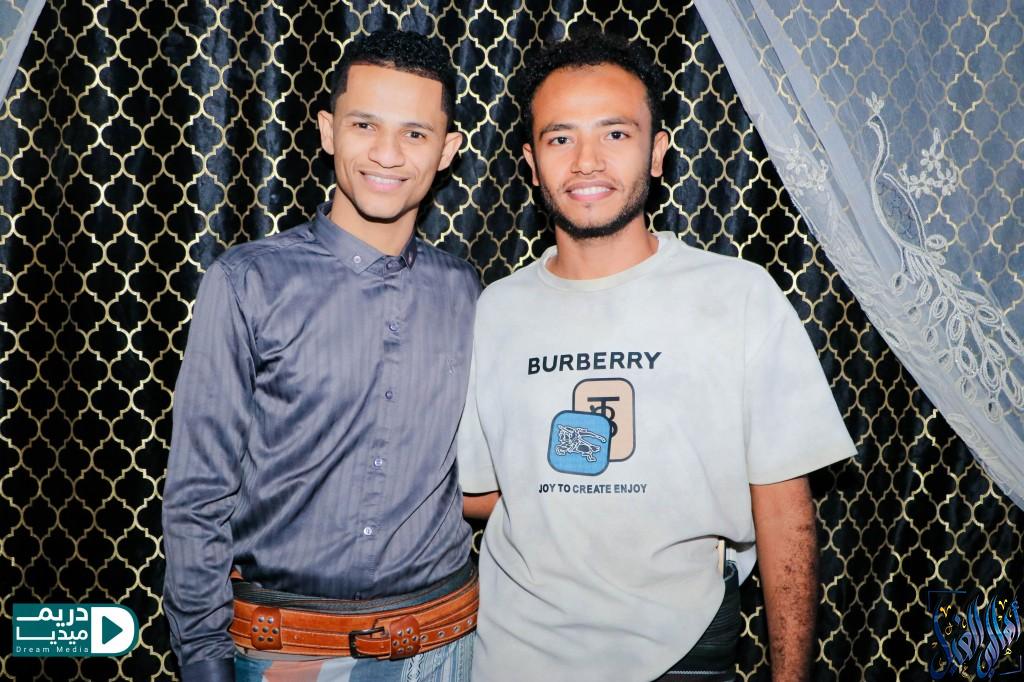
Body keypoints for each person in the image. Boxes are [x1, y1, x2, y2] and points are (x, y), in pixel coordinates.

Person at [457, 33, 857, 682]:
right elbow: (480, 492)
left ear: (658, 152)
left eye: (615, 133)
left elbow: (784, 506)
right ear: (531, 162)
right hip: (513, 655)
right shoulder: (494, 310)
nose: (587, 161)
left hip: (682, 648)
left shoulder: (738, 295)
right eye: (560, 138)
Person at [163, 30, 480, 682]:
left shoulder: (468, 291)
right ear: (329, 130)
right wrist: (203, 659)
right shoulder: (247, 282)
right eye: (365, 125)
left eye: (415, 133)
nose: (387, 153)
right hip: (285, 655)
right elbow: (198, 495)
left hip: (448, 649)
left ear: (447, 150)